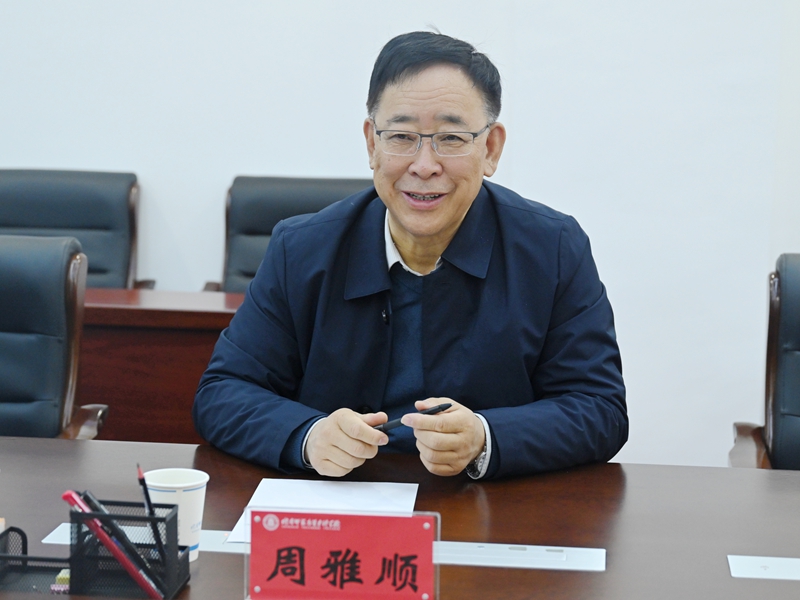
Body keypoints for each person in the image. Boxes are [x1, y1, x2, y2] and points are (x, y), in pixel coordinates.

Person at [193, 31, 627, 480]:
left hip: (485, 504)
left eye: (451, 138)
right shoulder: (300, 249)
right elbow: (222, 393)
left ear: (491, 149)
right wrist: (307, 436)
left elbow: (600, 408)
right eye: (401, 136)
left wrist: (485, 437)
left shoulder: (553, 249)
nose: (423, 165)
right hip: (343, 504)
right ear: (371, 144)